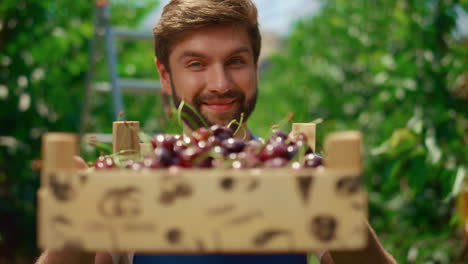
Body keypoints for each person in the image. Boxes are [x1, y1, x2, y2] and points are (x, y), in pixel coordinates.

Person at [36, 0, 397, 263]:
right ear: (165, 76)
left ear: (255, 67)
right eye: (196, 64)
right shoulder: (132, 180)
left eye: (236, 62)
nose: (220, 84)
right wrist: (71, 232)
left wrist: (349, 222)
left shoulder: (293, 171)